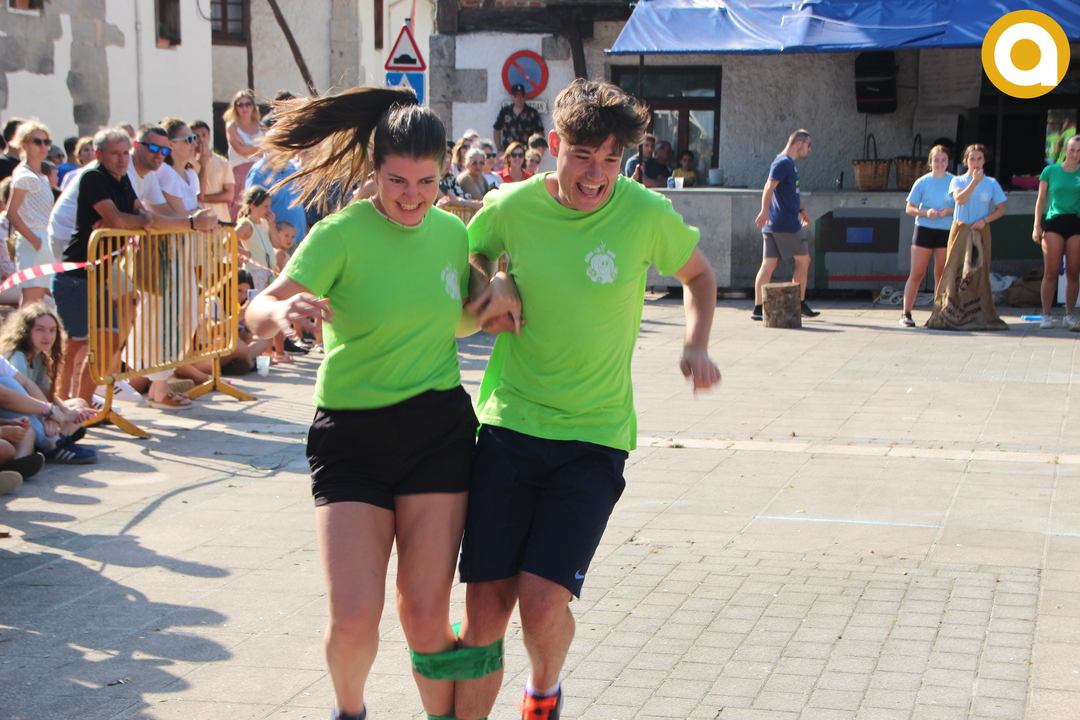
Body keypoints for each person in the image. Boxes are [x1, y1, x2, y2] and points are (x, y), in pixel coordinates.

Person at [244, 86, 519, 720]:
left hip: (437, 433)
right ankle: (350, 712)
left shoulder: (450, 233)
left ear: (443, 172)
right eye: (397, 180)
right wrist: (277, 312)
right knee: (353, 618)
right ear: (374, 170)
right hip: (352, 438)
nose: (412, 195)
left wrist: (497, 295)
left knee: (424, 614)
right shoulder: (339, 235)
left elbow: (461, 317)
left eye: (426, 181)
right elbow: (256, 310)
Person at [454, 77, 720, 720]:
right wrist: (495, 282)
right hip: (509, 424)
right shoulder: (511, 206)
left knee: (542, 602)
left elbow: (698, 274)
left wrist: (695, 344)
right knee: (485, 607)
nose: (596, 174)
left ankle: (543, 690)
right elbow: (471, 257)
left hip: (594, 437)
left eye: (610, 159)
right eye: (582, 156)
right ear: (554, 146)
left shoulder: (643, 213)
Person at [52, 128, 152, 407]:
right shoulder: (93, 176)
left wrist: (130, 219)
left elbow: (142, 215)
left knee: (110, 341)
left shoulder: (123, 178)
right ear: (98, 154)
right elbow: (122, 220)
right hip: (76, 277)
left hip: (101, 276)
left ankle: (82, 403)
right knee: (75, 344)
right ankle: (58, 404)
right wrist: (127, 220)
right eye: (115, 153)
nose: (122, 159)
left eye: (125, 153)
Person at [0, 303, 97, 464]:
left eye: (52, 330)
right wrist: (49, 413)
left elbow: (39, 390)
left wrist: (59, 413)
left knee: (79, 404)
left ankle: (53, 439)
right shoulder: (16, 356)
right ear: (25, 331)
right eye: (40, 329)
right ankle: (53, 444)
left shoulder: (40, 356)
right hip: (16, 411)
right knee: (8, 382)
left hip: (31, 411)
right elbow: (14, 397)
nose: (47, 336)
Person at [751, 129, 819, 320]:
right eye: (808, 145)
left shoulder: (786, 163)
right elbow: (769, 186)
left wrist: (801, 209)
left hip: (775, 223)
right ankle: (799, 303)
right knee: (804, 261)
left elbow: (787, 194)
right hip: (786, 223)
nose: (810, 149)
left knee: (768, 264)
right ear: (798, 144)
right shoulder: (783, 162)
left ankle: (758, 309)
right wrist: (764, 211)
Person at [899, 145, 955, 327]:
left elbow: (962, 206)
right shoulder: (922, 182)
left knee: (941, 273)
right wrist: (925, 213)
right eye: (936, 160)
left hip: (946, 231)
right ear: (931, 162)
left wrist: (949, 211)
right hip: (924, 229)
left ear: (948, 162)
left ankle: (939, 313)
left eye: (943, 160)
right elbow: (910, 208)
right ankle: (906, 313)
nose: (940, 163)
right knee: (917, 273)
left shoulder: (955, 181)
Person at [7, 120, 59, 307]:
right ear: (24, 145)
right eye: (37, 141)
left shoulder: (40, 175)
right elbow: (12, 212)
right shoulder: (24, 175)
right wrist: (36, 241)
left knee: (37, 302)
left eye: (46, 142)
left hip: (43, 239)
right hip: (33, 240)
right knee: (32, 301)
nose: (43, 146)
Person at [1033, 135, 1080, 328]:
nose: (1075, 154)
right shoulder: (1050, 171)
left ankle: (1070, 314)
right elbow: (1041, 200)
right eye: (1072, 150)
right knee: (1051, 272)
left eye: (1079, 151)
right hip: (1054, 222)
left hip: (1076, 223)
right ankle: (1046, 315)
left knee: (1073, 272)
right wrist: (1037, 225)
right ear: (1065, 150)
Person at [225, 90, 265, 220]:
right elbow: (240, 150)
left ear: (253, 106)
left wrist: (247, 147)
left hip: (261, 172)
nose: (244, 108)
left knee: (260, 210)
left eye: (248, 104)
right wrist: (261, 149)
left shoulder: (262, 126)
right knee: (239, 213)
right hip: (240, 175)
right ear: (235, 108)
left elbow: (272, 149)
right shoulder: (232, 126)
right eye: (240, 104)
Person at [191, 120, 235, 223]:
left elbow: (229, 195)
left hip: (221, 221)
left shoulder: (223, 162)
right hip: (197, 222)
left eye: (204, 135)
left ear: (209, 137)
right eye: (196, 136)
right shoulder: (186, 164)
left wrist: (202, 198)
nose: (201, 139)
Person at [493, 83, 544, 152]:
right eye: (516, 95)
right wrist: (499, 149)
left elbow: (540, 133)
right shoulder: (505, 112)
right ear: (512, 96)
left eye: (521, 95)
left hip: (526, 153)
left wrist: (534, 151)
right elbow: (496, 130)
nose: (519, 98)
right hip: (508, 153)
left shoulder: (532, 113)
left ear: (525, 96)